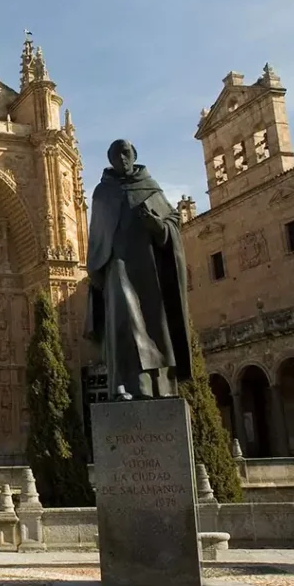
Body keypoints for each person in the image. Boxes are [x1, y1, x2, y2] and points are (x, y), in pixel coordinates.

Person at [84, 139, 192, 399]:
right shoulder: (102, 192)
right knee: (123, 320)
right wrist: (97, 267)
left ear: (134, 155)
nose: (122, 158)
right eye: (116, 154)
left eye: (126, 153)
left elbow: (172, 221)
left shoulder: (150, 187)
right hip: (115, 264)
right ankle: (124, 384)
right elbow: (96, 235)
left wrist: (158, 226)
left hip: (148, 268)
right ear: (109, 160)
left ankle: (153, 387)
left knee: (153, 326)